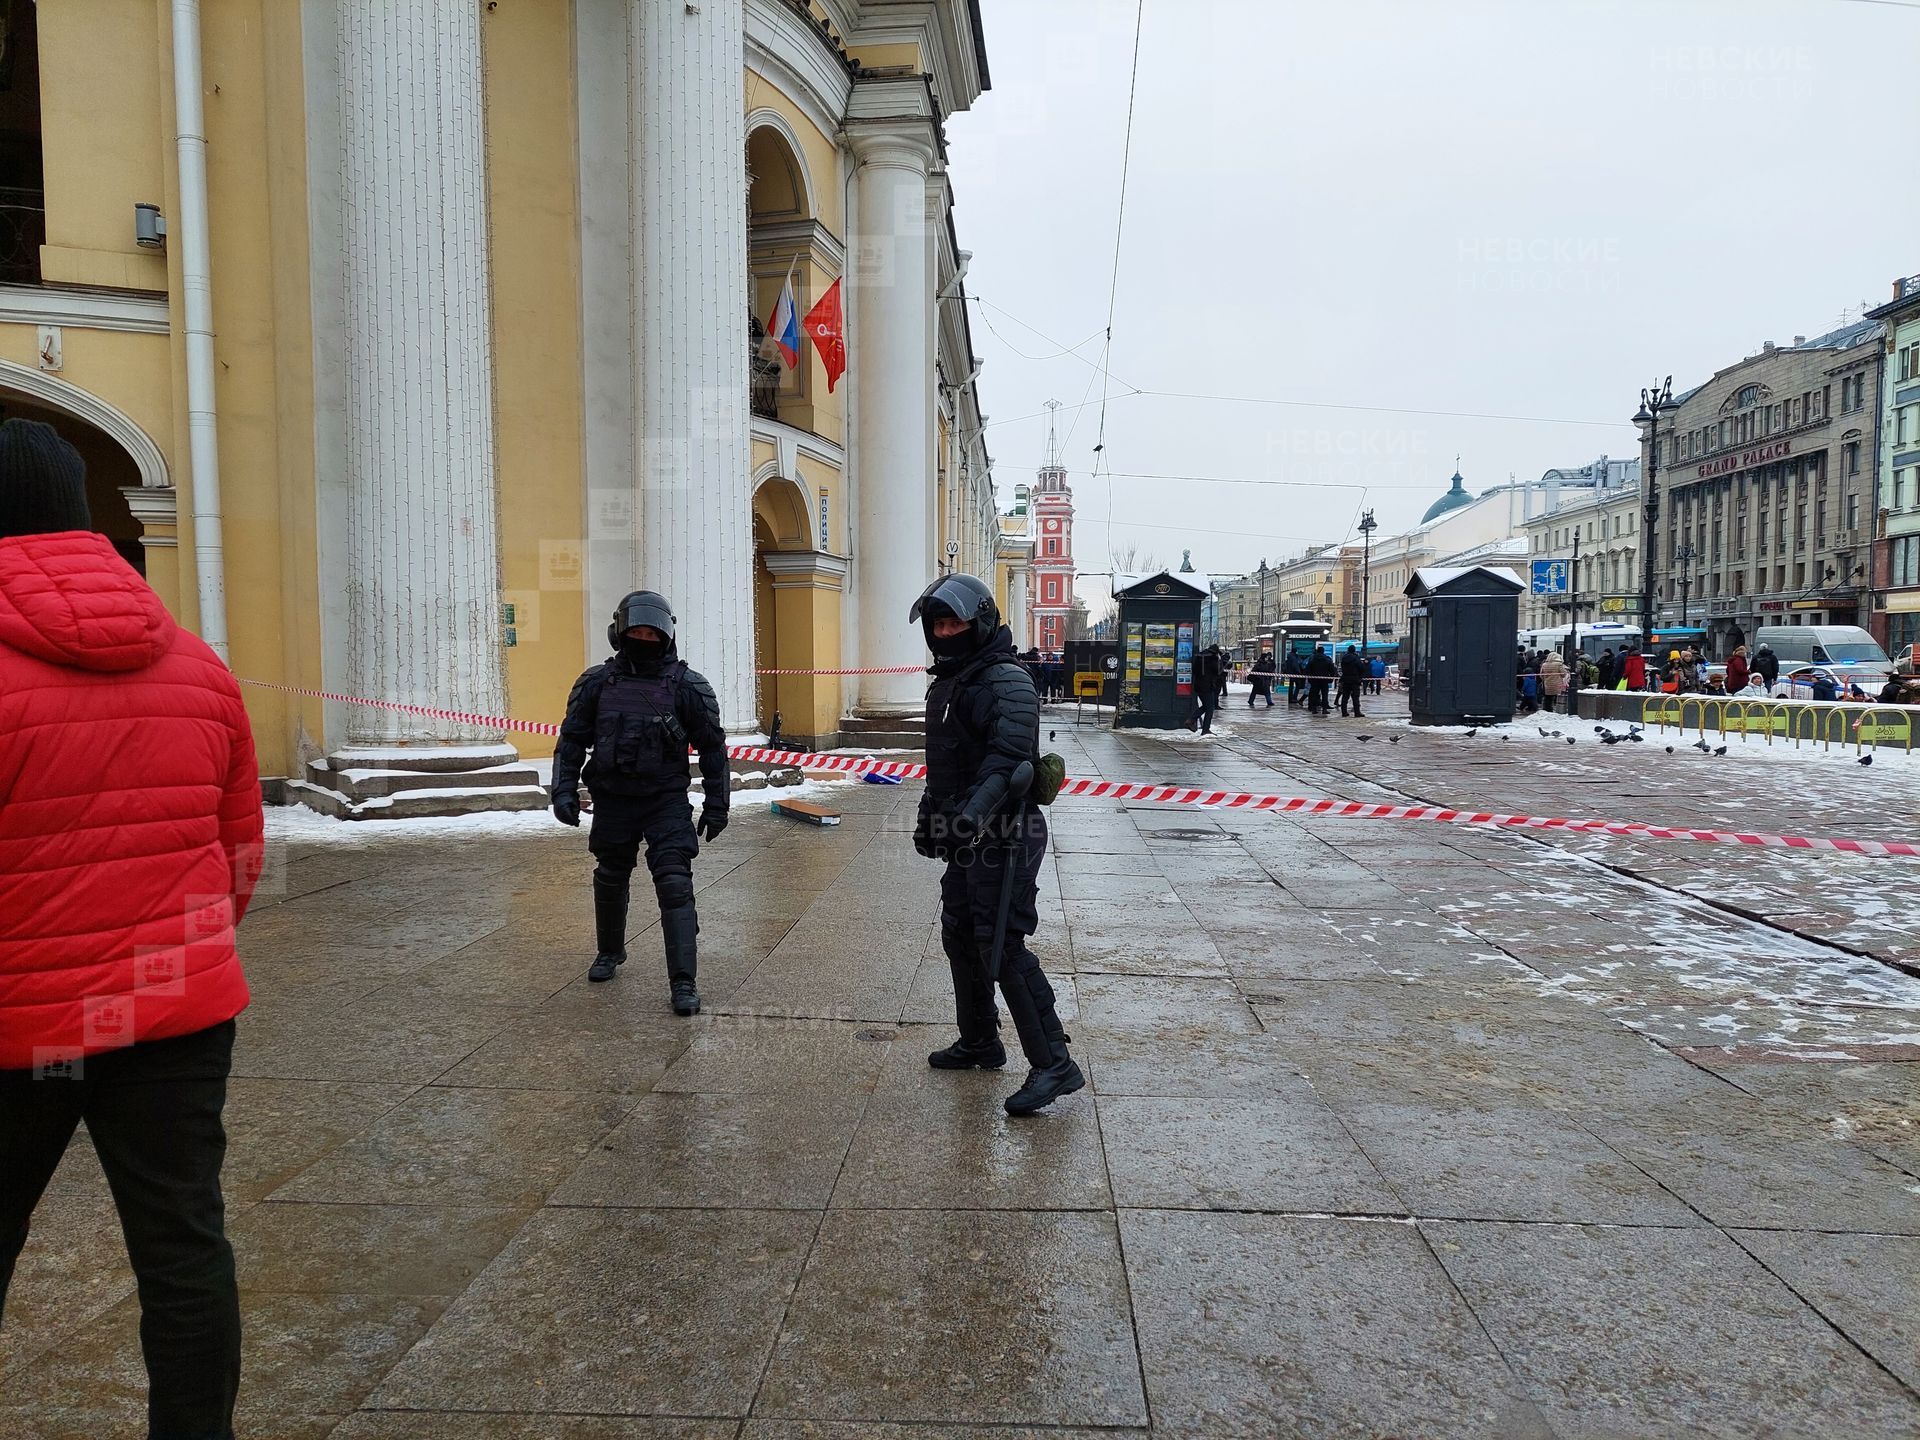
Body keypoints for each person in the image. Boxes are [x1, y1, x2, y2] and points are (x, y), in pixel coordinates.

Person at [0, 419, 264, 1439]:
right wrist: (174, 956)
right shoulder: (198, 664)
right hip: (175, 1015)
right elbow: (239, 855)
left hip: (23, 1033)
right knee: (183, 1246)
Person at [910, 573, 1082, 1116]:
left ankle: (1054, 1062)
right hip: (969, 829)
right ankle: (981, 1041)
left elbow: (1006, 758)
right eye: (938, 624)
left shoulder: (1006, 680)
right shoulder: (952, 680)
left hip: (1007, 832)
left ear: (979, 622)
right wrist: (930, 816)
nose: (944, 632)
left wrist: (970, 817)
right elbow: (944, 762)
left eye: (953, 622)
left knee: (1000, 942)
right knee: (961, 933)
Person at [551, 590, 729, 1012]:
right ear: (620, 633)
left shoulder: (688, 685)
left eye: (652, 632)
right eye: (637, 631)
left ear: (666, 635)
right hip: (613, 797)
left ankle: (683, 981)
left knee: (674, 882)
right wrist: (562, 789)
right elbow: (572, 739)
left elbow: (713, 747)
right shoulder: (596, 682)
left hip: (665, 800)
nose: (644, 638)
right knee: (611, 874)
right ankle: (610, 950)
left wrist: (717, 803)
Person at [1193, 643, 1226, 734]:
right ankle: (1205, 729)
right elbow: (1218, 671)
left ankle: (1191, 720)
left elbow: (1194, 670)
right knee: (1210, 708)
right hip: (1207, 686)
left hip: (1198, 684)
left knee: (1206, 706)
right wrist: (1220, 662)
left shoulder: (1199, 656)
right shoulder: (1213, 658)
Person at [1306, 644, 1337, 714]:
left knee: (1314, 694)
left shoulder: (1312, 659)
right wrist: (1331, 679)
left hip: (1314, 680)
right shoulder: (1327, 659)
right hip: (1324, 680)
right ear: (1323, 651)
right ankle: (1324, 709)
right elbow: (1332, 670)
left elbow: (1307, 670)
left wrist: (1310, 678)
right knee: (1324, 694)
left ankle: (1314, 708)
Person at [1337, 643, 1366, 717]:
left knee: (1345, 696)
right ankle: (1357, 712)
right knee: (1355, 697)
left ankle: (1344, 712)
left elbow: (1342, 669)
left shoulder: (1344, 658)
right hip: (1354, 680)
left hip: (1346, 679)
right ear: (1354, 651)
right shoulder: (1356, 659)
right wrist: (1360, 677)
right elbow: (1362, 668)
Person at [1538, 649, 1568, 714]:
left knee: (1548, 698)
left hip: (1547, 684)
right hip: (1557, 684)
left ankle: (1548, 710)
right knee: (1557, 698)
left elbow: (1541, 675)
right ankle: (1558, 711)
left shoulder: (1544, 664)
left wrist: (1546, 679)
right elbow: (1563, 674)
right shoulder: (1559, 664)